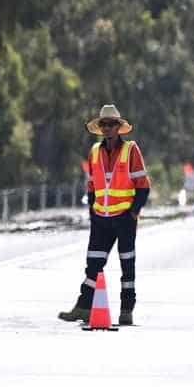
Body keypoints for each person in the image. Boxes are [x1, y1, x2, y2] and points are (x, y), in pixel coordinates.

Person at [58, 104, 150, 326]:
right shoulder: (95, 152)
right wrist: (93, 213)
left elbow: (143, 186)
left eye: (111, 124)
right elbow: (91, 187)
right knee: (93, 265)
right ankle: (83, 308)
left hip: (124, 218)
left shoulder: (131, 150)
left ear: (119, 127)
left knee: (127, 265)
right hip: (101, 219)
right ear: (100, 128)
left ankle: (127, 310)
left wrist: (133, 212)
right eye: (104, 124)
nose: (108, 128)